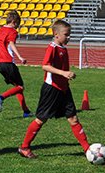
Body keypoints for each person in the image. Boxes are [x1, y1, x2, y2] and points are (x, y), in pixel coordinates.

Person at [18, 20, 91, 159]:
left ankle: (87, 150)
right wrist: (64, 73)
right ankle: (24, 147)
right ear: (56, 34)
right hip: (52, 89)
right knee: (41, 119)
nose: (69, 37)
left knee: (73, 118)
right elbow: (45, 66)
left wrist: (66, 75)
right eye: (66, 34)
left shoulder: (63, 48)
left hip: (64, 89)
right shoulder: (52, 47)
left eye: (70, 34)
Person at [0, 10, 32, 117]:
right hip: (8, 62)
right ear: (13, 21)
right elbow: (12, 43)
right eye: (18, 23)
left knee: (17, 87)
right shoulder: (12, 31)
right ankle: (1, 97)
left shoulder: (0, 30)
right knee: (21, 87)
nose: (18, 26)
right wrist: (20, 57)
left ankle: (26, 111)